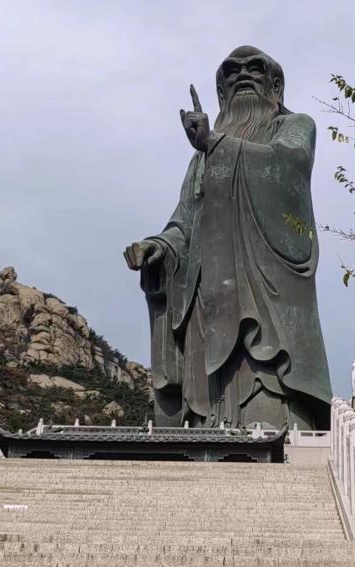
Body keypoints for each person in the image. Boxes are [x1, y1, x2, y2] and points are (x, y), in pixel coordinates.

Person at [124, 46, 331, 429]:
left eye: (254, 69)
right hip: (208, 300)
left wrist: (215, 144)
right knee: (208, 417)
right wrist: (160, 248)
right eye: (232, 72)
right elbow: (185, 222)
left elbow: (289, 167)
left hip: (263, 295)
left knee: (266, 408)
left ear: (275, 85)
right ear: (221, 92)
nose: (243, 76)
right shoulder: (200, 158)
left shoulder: (295, 126)